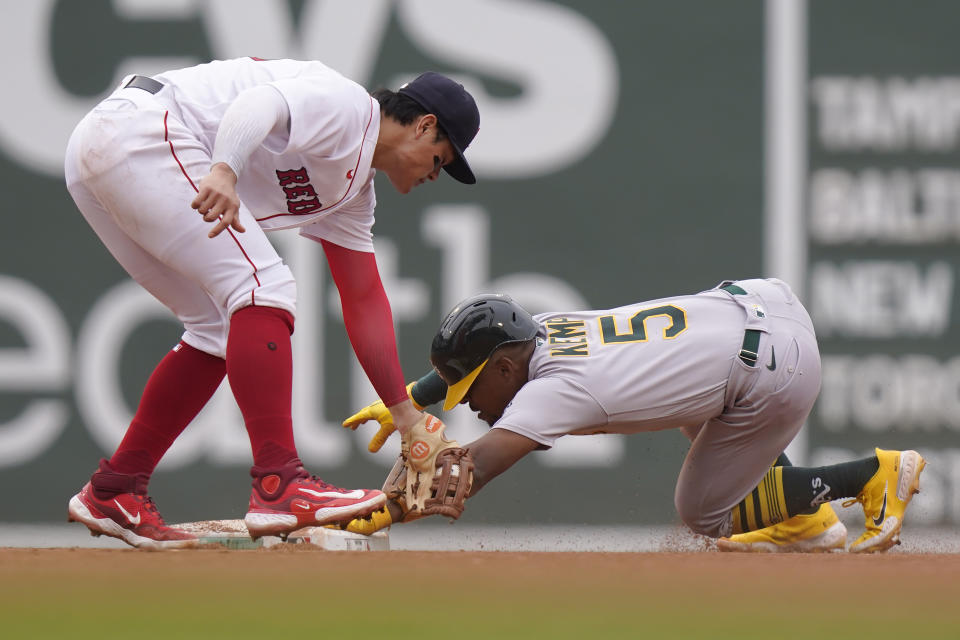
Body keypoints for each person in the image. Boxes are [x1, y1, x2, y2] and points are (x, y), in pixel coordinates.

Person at [63, 58, 479, 549]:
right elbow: (257, 104)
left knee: (216, 327)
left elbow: (363, 297)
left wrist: (407, 417)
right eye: (441, 159)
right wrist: (224, 168)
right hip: (143, 131)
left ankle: (116, 488)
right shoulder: (348, 107)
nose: (436, 175)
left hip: (112, 147)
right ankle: (279, 483)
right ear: (424, 125)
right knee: (264, 287)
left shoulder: (353, 193)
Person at [343, 279, 926, 553]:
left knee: (702, 513)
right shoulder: (545, 332)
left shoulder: (553, 390)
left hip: (774, 370)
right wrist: (413, 401)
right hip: (763, 307)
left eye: (469, 389)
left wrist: (378, 511)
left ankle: (871, 475)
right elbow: (481, 365)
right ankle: (803, 524)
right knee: (696, 411)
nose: (467, 403)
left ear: (501, 368)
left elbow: (466, 473)